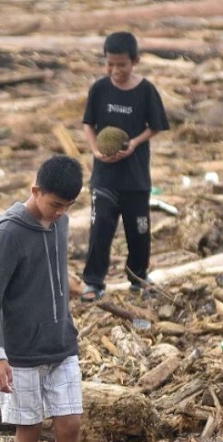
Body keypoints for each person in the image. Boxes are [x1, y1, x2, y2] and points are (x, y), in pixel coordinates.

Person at [0, 155, 85, 442]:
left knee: (70, 426)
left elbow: (49, 266)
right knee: (30, 430)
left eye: (67, 206)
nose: (59, 212)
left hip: (61, 342)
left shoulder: (61, 223)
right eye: (55, 204)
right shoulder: (10, 232)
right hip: (20, 351)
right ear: (35, 190)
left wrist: (66, 285)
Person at [80, 31, 170, 302]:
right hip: (105, 176)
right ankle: (94, 283)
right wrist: (96, 149)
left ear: (135, 61)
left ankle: (138, 277)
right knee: (100, 229)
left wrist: (133, 144)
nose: (115, 70)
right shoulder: (99, 89)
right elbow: (88, 124)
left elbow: (156, 126)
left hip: (135, 177)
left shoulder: (146, 91)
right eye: (110, 64)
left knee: (139, 230)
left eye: (121, 65)